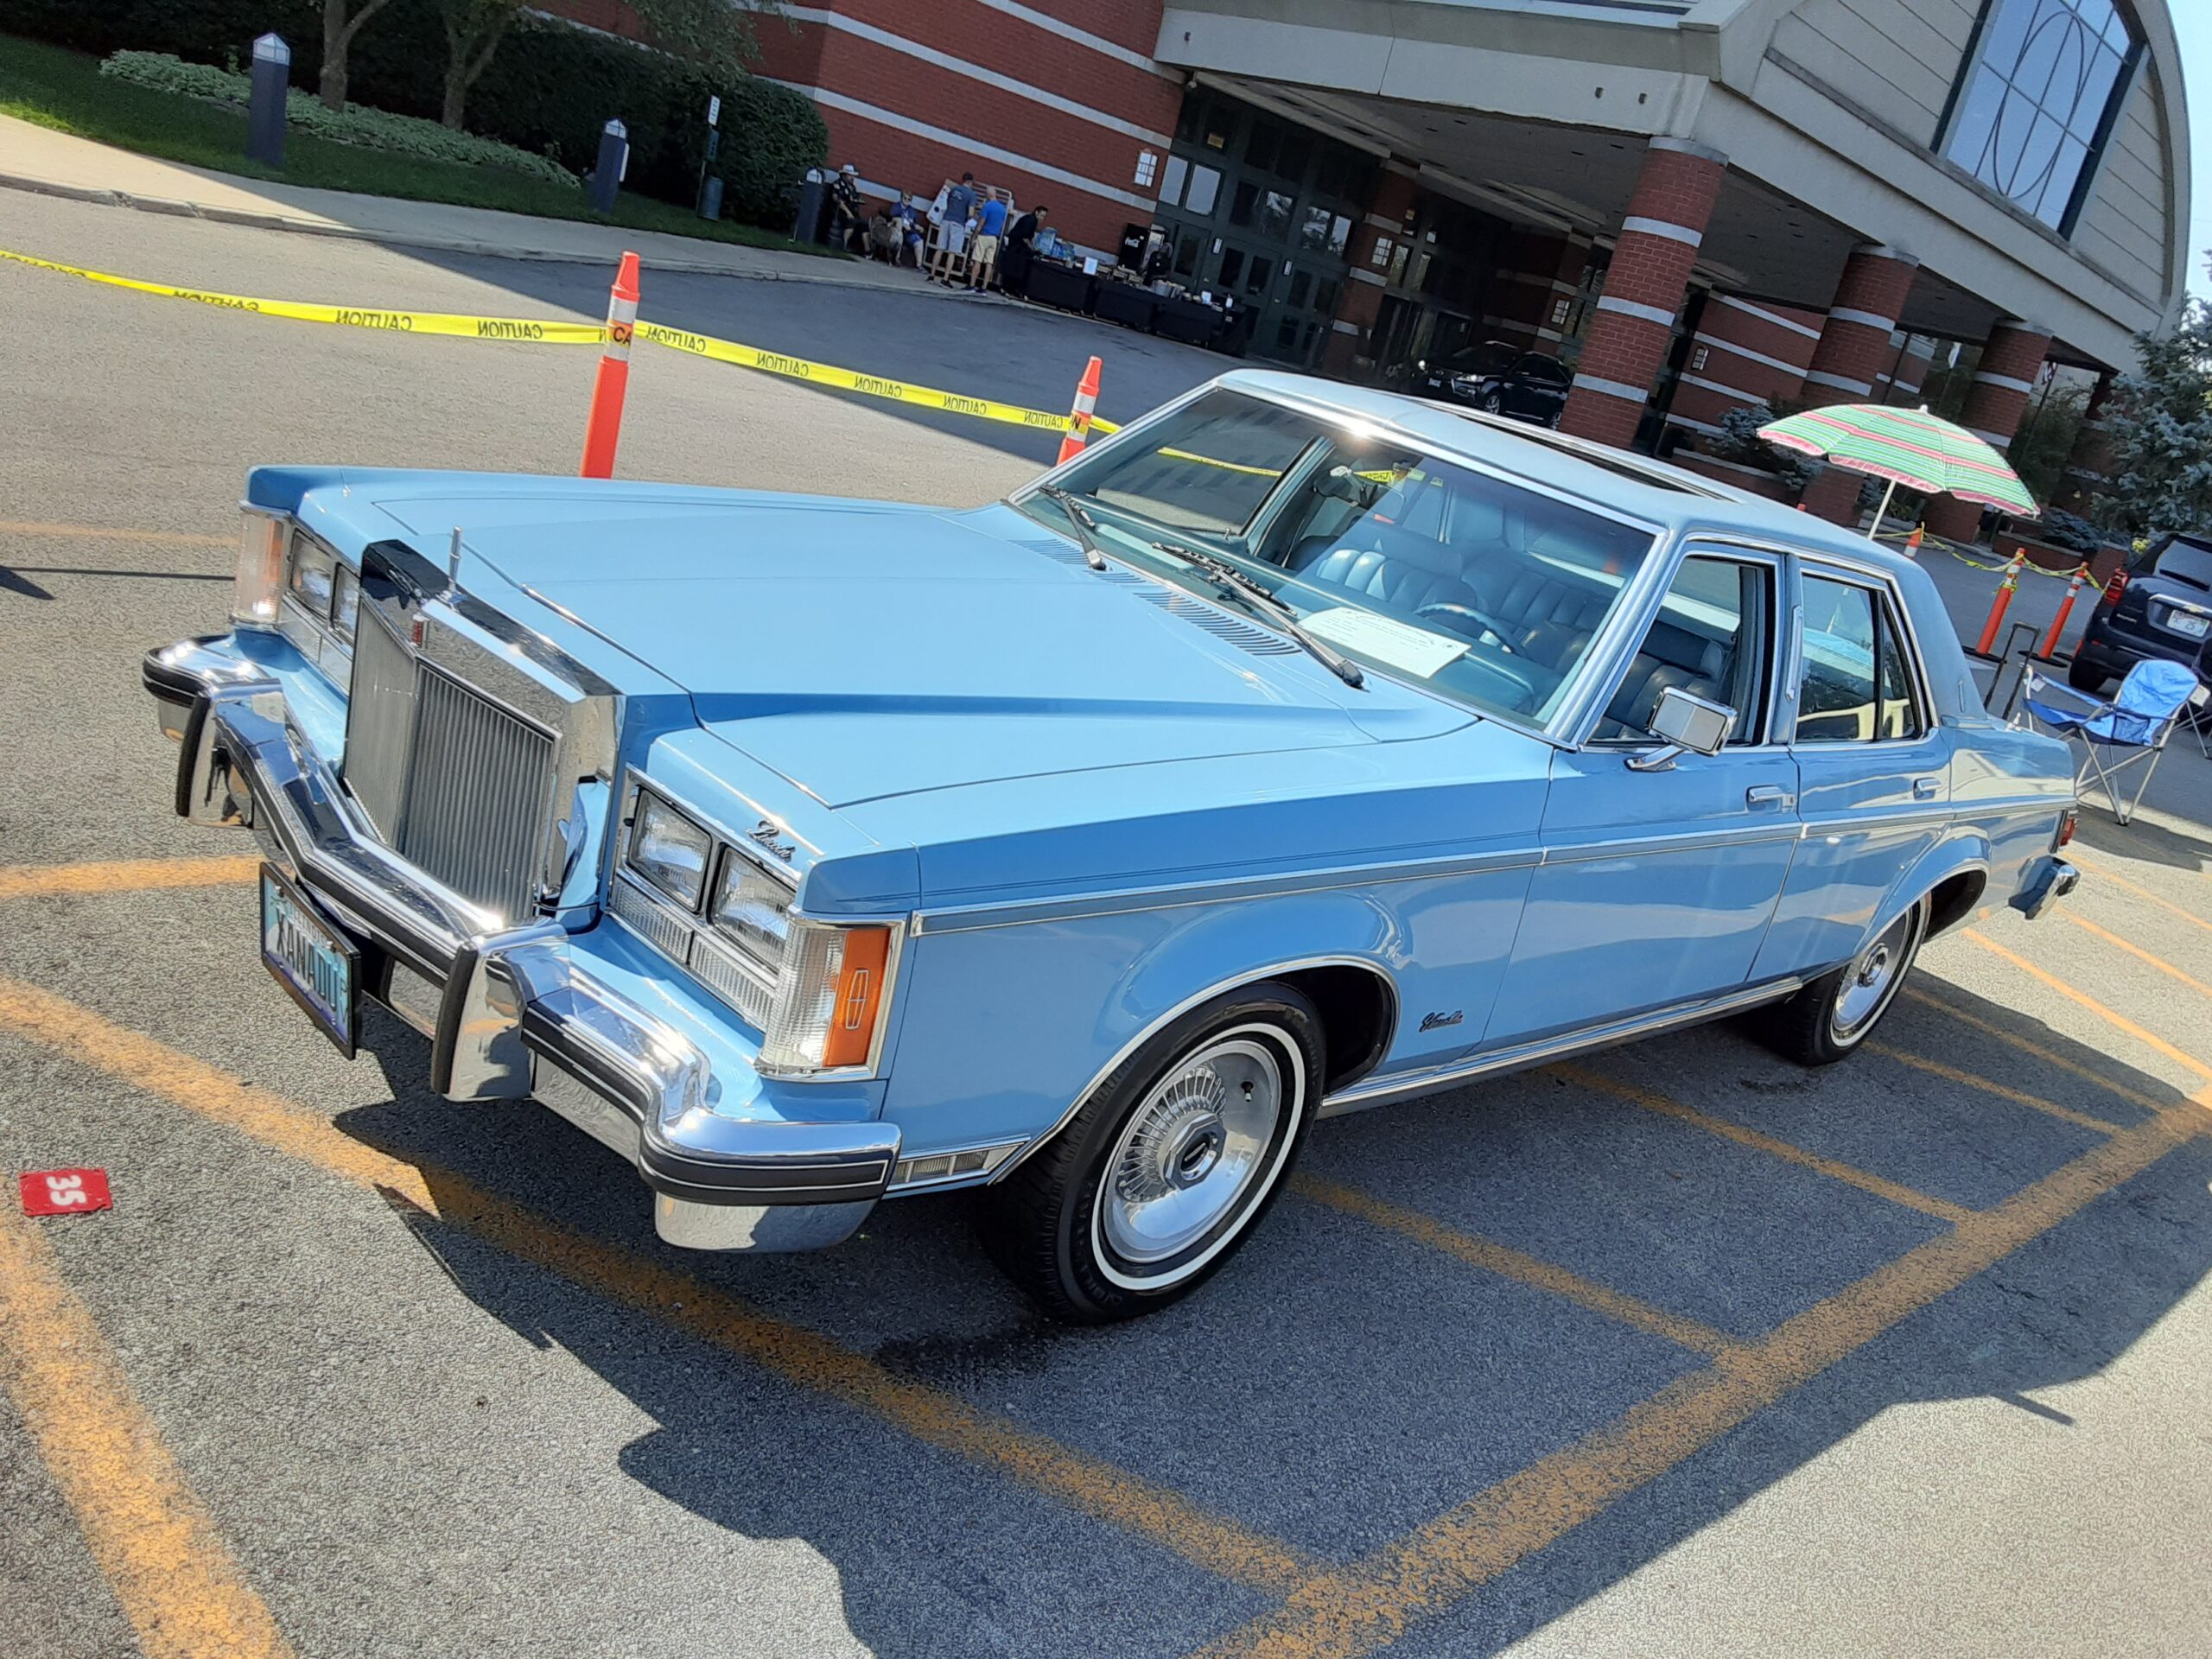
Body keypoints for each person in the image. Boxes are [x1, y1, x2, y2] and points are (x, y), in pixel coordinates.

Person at [930, 172, 979, 285]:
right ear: (971, 182)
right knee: (952, 252)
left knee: (940, 249)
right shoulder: (971, 194)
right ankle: (945, 279)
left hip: (946, 219)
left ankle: (932, 275)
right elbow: (970, 213)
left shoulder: (954, 189)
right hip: (958, 223)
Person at [1000, 203, 1047, 296]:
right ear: (1036, 212)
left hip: (1016, 246)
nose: (1042, 218)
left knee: (1013, 268)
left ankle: (1009, 288)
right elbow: (1025, 238)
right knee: (1014, 269)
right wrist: (1033, 249)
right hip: (1016, 247)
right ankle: (1007, 288)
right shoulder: (1031, 221)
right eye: (1041, 215)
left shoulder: (1029, 219)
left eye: (1043, 216)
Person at [969, 190, 1008, 292]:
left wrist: (974, 236)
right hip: (994, 238)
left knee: (977, 260)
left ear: (988, 195)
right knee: (989, 263)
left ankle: (972, 285)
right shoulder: (1003, 209)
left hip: (984, 235)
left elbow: (981, 223)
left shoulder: (987, 206)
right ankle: (984, 287)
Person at [827, 162, 867, 253]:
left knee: (864, 224)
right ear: (844, 175)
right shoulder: (838, 184)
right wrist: (848, 212)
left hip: (852, 210)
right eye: (850, 175)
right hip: (840, 211)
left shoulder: (852, 187)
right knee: (851, 221)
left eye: (853, 176)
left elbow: (854, 198)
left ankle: (867, 250)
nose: (852, 177)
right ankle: (844, 245)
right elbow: (837, 199)